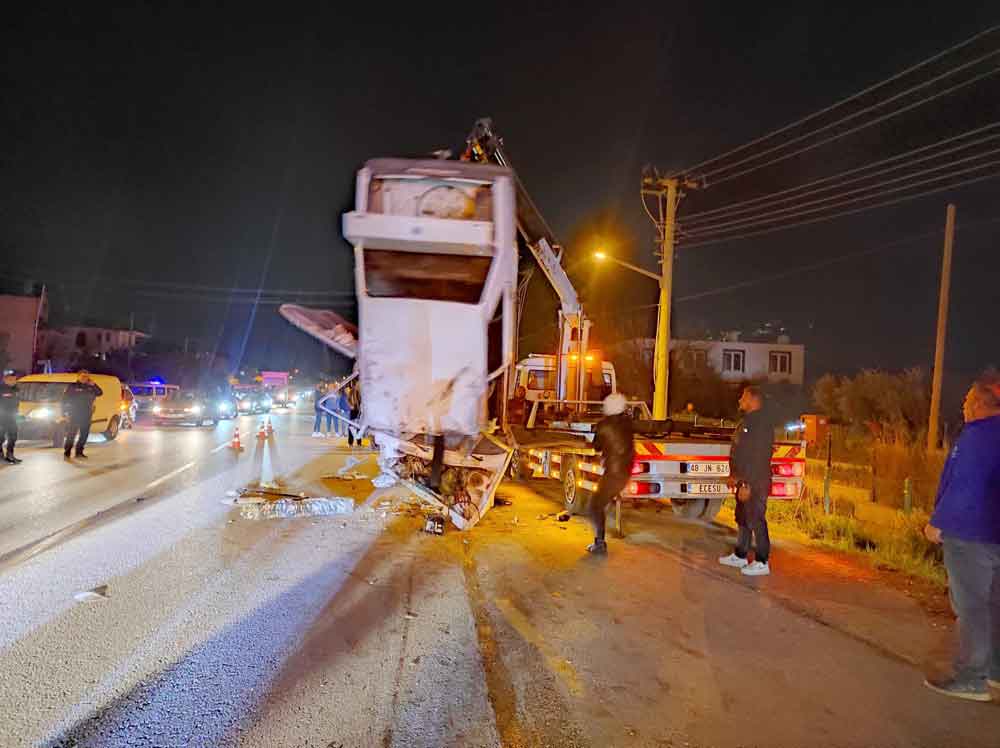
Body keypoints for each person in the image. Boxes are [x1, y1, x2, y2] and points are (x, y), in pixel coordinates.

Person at [923, 370, 1000, 702]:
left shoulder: (977, 435)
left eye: (968, 400)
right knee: (993, 604)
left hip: (969, 534)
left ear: (981, 403)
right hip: (993, 533)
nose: (964, 405)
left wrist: (939, 522)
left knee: (971, 606)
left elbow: (965, 485)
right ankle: (994, 671)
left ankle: (971, 677)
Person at [719, 385, 774, 576]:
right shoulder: (748, 421)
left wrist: (747, 484)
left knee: (756, 519)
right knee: (743, 517)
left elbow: (757, 458)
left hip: (755, 482)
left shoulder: (761, 424)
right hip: (745, 480)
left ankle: (762, 561)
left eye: (743, 397)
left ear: (752, 399)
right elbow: (741, 453)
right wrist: (736, 477)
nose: (740, 400)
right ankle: (740, 555)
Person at [587, 392, 634, 555]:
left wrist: (596, 432)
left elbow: (596, 447)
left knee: (594, 506)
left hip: (613, 474)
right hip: (624, 473)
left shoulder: (603, 425)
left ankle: (600, 543)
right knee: (601, 503)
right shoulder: (628, 423)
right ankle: (599, 541)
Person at [62, 371, 103, 460]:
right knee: (71, 434)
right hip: (74, 414)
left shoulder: (91, 387)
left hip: (87, 415)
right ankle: (67, 452)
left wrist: (94, 384)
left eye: (86, 376)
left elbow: (100, 393)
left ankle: (79, 452)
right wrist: (64, 412)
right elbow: (64, 400)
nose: (85, 378)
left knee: (84, 435)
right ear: (78, 377)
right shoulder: (72, 387)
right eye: (83, 376)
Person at [1, 371, 21, 464]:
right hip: (2, 417)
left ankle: (10, 455)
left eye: (14, 379)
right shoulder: (1, 389)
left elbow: (16, 403)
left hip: (12, 417)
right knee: (1, 437)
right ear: (4, 379)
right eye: (10, 379)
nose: (13, 381)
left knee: (13, 436)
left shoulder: (16, 389)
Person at [346, 382, 361, 448]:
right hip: (353, 411)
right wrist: (351, 405)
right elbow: (348, 400)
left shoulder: (360, 392)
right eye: (358, 384)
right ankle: (350, 442)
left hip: (360, 411)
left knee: (359, 427)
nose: (359, 385)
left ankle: (359, 442)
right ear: (355, 385)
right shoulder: (351, 391)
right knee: (351, 426)